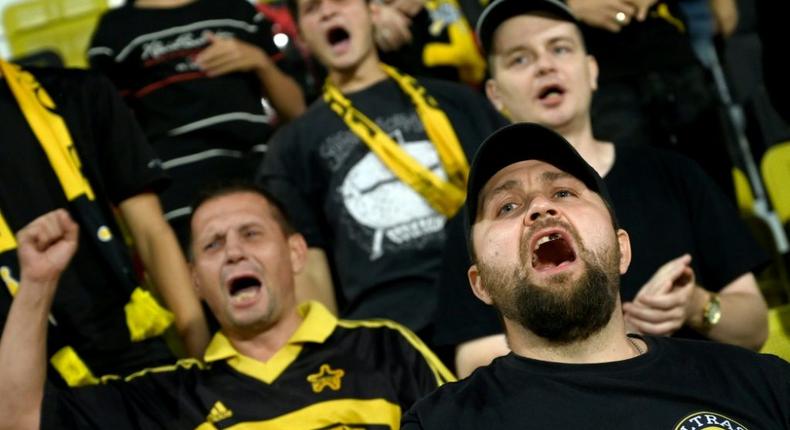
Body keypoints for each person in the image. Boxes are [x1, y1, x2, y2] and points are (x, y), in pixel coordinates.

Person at [433, 0, 768, 377]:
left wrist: (696, 305)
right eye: (519, 59)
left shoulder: (674, 174)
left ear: (591, 71)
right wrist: (609, 336)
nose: (545, 65)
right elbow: (475, 364)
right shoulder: (480, 221)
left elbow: (755, 327)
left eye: (560, 48)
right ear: (495, 95)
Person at [402, 122, 790, 429]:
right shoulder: (442, 421)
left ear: (622, 249)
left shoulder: (762, 383)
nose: (539, 207)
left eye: (565, 193)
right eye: (506, 207)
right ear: (480, 283)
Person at [0, 183, 454, 430]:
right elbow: (18, 418)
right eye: (213, 244)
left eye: (251, 233)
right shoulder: (169, 397)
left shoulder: (383, 347)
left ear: (295, 253)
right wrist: (37, 283)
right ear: (196, 281)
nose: (234, 251)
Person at [258, 0, 506, 340]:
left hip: (493, 306)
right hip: (391, 339)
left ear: (373, 11)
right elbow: (310, 273)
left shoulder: (458, 102)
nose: (329, 12)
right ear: (302, 38)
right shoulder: (291, 147)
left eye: (342, 1)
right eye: (313, 8)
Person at [0, 61, 208, 384]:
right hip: (23, 393)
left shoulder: (77, 91)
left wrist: (203, 360)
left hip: (132, 354)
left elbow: (152, 234)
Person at [88, 0, 306, 248]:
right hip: (176, 199)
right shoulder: (114, 31)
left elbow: (296, 109)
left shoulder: (238, 11)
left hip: (259, 179)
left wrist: (259, 62)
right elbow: (111, 138)